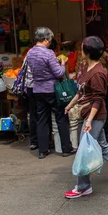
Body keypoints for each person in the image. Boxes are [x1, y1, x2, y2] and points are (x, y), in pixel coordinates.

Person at [63, 36, 108, 199]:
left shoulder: (97, 73)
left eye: (82, 48)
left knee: (84, 149)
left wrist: (89, 121)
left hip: (95, 116)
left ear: (87, 52)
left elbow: (98, 99)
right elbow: (81, 92)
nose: (80, 50)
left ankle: (83, 186)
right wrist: (70, 105)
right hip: (89, 114)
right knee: (101, 145)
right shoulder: (84, 68)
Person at [25, 27, 73, 159]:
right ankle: (66, 148)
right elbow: (58, 72)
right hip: (52, 90)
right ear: (45, 39)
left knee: (42, 120)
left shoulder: (30, 53)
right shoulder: (48, 53)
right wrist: (62, 63)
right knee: (61, 118)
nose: (50, 42)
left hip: (37, 89)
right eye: (50, 39)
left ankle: (43, 150)